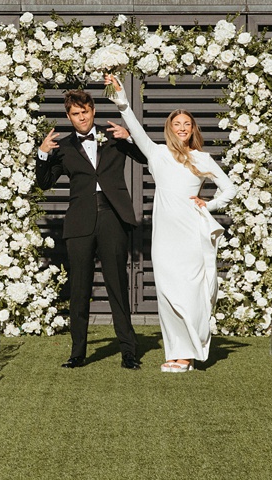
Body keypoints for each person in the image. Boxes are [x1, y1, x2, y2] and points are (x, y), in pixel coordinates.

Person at [105, 74, 238, 373]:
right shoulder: (157, 154)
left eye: (186, 125)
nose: (181, 128)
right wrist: (121, 98)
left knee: (189, 293)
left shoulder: (202, 158)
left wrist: (210, 204)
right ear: (170, 129)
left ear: (192, 130)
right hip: (163, 237)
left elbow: (230, 188)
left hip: (191, 234)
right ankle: (176, 350)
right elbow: (135, 129)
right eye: (176, 124)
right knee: (167, 296)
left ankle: (190, 354)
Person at [36, 88, 148, 370]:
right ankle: (77, 354)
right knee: (79, 288)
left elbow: (145, 158)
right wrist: (42, 153)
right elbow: (45, 182)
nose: (81, 117)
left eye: (85, 111)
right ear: (68, 116)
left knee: (117, 286)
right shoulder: (64, 147)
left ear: (93, 111)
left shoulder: (112, 135)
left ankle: (129, 353)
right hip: (80, 221)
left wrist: (130, 138)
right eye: (75, 113)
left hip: (112, 216)